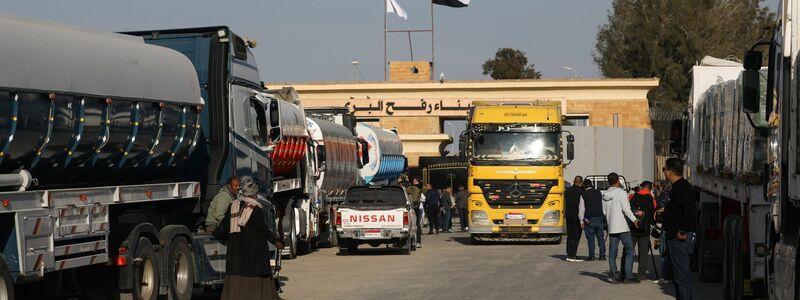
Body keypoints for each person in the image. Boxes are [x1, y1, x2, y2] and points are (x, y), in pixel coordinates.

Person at [217, 176, 285, 300]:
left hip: (236, 255)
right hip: (253, 254)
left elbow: (223, 227)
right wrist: (276, 241)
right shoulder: (255, 209)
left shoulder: (233, 206)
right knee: (255, 274)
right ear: (254, 193)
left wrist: (215, 234)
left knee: (237, 274)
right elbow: (263, 229)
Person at [662, 158, 697, 299]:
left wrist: (682, 230)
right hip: (673, 237)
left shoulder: (681, 187)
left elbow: (689, 210)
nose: (663, 172)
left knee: (681, 277)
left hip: (679, 239)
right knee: (677, 278)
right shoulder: (677, 187)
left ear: (670, 172)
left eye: (664, 169)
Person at [602, 172, 640, 284]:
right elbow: (626, 209)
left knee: (612, 254)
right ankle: (628, 276)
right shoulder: (621, 193)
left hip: (612, 227)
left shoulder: (605, 195)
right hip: (623, 227)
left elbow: (604, 212)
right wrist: (634, 219)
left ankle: (615, 277)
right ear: (618, 180)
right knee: (629, 251)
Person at [629, 181, 656, 280]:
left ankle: (627, 272)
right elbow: (654, 214)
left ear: (642, 187)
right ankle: (641, 274)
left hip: (632, 228)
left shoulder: (632, 197)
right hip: (645, 230)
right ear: (649, 188)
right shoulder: (651, 199)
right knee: (643, 252)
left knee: (628, 251)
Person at [579, 179, 606, 261]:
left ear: (584, 186)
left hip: (589, 219)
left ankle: (592, 255)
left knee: (591, 238)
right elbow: (603, 206)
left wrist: (581, 221)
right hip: (599, 217)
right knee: (600, 237)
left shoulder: (583, 195)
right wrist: (604, 216)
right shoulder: (599, 193)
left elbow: (581, 209)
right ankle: (602, 255)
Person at [564, 175, 584, 262]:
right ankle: (573, 254)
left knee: (570, 235)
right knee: (576, 236)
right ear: (581, 182)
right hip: (577, 215)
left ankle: (568, 253)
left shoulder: (567, 191)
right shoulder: (581, 191)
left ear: (574, 181)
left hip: (569, 215)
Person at [406, 177, 424, 248]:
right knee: (417, 224)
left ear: (417, 181)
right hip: (417, 207)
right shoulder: (419, 187)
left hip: (414, 207)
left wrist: (406, 182)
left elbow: (405, 190)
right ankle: (418, 241)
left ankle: (416, 241)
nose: (413, 180)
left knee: (414, 224)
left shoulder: (414, 188)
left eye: (414, 179)